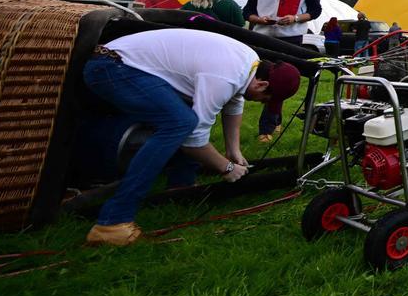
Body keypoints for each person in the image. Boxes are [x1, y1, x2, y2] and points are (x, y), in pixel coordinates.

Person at [81, 27, 301, 246]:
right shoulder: (224, 75)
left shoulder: (249, 64)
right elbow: (193, 141)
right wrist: (227, 168)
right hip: (111, 67)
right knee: (180, 123)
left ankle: (181, 188)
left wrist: (233, 150)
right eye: (265, 99)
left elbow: (235, 102)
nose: (261, 103)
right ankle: (113, 223)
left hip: (120, 64)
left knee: (186, 115)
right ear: (262, 84)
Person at [243, 0, 321, 141]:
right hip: (263, 36)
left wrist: (295, 18)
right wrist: (260, 20)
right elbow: (247, 12)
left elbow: (315, 10)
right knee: (261, 82)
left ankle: (266, 129)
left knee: (278, 83)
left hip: (291, 38)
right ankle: (274, 120)